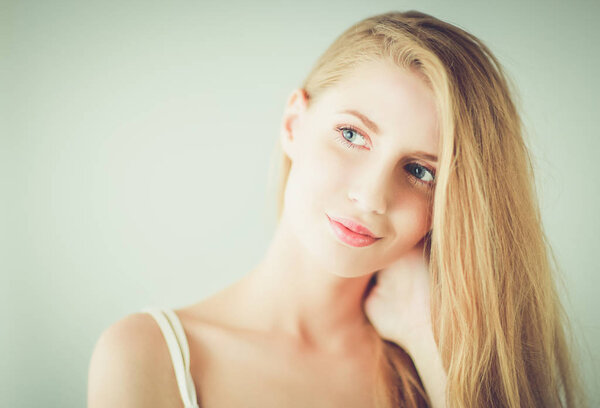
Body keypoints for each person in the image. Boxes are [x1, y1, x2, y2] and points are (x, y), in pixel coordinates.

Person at [87, 10, 588, 408]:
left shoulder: (446, 362)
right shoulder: (149, 356)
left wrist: (429, 347)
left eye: (421, 171)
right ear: (293, 123)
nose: (372, 197)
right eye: (352, 135)